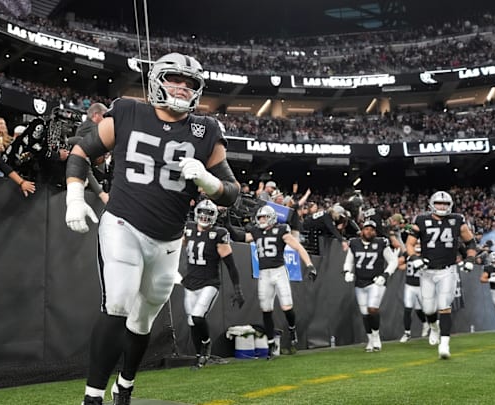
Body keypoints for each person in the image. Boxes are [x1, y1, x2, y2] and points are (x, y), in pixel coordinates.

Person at [63, 53, 240, 405]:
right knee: (118, 302)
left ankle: (125, 385)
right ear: (158, 80)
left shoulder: (206, 131)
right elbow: (82, 151)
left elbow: (232, 193)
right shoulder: (128, 111)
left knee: (143, 320)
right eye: (175, 79)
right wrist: (73, 196)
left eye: (189, 83)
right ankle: (92, 397)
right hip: (123, 224)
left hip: (169, 240)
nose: (182, 87)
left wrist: (206, 179)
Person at [226, 205, 316, 358]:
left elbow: (298, 247)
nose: (261, 220)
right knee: (266, 310)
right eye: (260, 217)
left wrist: (310, 265)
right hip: (264, 274)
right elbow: (238, 237)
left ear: (272, 218)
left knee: (286, 307)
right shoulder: (256, 232)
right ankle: (269, 344)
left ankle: (292, 328)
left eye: (264, 217)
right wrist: (227, 223)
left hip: (279, 271)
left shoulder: (281, 230)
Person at [405, 190, 478, 359]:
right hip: (427, 270)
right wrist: (415, 257)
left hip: (448, 269)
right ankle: (434, 327)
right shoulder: (421, 220)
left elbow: (471, 241)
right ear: (432, 204)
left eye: (445, 204)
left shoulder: (457, 220)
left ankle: (444, 345)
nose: (442, 206)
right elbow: (410, 244)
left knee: (444, 306)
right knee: (428, 309)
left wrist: (470, 259)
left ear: (450, 205)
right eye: (439, 203)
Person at [182, 199, 244, 369]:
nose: (205, 216)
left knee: (197, 316)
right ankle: (199, 356)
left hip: (209, 283)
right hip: (190, 282)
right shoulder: (188, 229)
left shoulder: (219, 234)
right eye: (202, 211)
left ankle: (206, 344)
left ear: (215, 216)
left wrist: (237, 288)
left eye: (209, 213)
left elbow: (230, 265)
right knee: (192, 321)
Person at [343, 220, 398, 352]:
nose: (369, 231)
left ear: (375, 231)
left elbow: (393, 261)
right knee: (364, 313)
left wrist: (385, 275)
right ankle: (370, 340)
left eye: (372, 229)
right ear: (362, 230)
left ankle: (376, 336)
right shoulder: (354, 243)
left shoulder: (381, 243)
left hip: (376, 281)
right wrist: (346, 272)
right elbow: (349, 261)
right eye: (367, 229)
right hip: (360, 282)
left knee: (372, 309)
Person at [397, 243, 429, 343]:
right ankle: (407, 333)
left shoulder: (426, 255)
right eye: (416, 244)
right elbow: (400, 266)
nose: (418, 246)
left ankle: (428, 324)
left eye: (420, 243)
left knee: (423, 309)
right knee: (407, 309)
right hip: (409, 285)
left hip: (421, 286)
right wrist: (406, 263)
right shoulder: (409, 255)